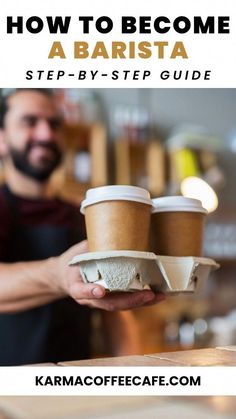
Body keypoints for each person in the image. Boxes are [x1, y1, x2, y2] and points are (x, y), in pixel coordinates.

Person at [0, 88, 165, 366]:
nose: (45, 134)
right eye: (30, 122)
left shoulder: (82, 214)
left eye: (54, 124)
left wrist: (139, 375)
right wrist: (57, 275)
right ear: (2, 138)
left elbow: (113, 312)